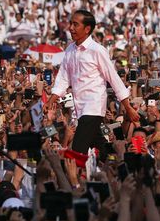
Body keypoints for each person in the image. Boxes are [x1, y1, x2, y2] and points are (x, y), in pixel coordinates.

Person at [44, 9, 140, 154]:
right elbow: (63, 78)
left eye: (75, 24)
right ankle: (117, 168)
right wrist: (51, 100)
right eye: (71, 23)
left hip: (93, 107)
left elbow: (113, 78)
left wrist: (128, 107)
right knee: (101, 150)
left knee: (77, 151)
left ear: (87, 29)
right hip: (79, 108)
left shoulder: (97, 50)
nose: (71, 28)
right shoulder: (70, 50)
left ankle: (74, 174)